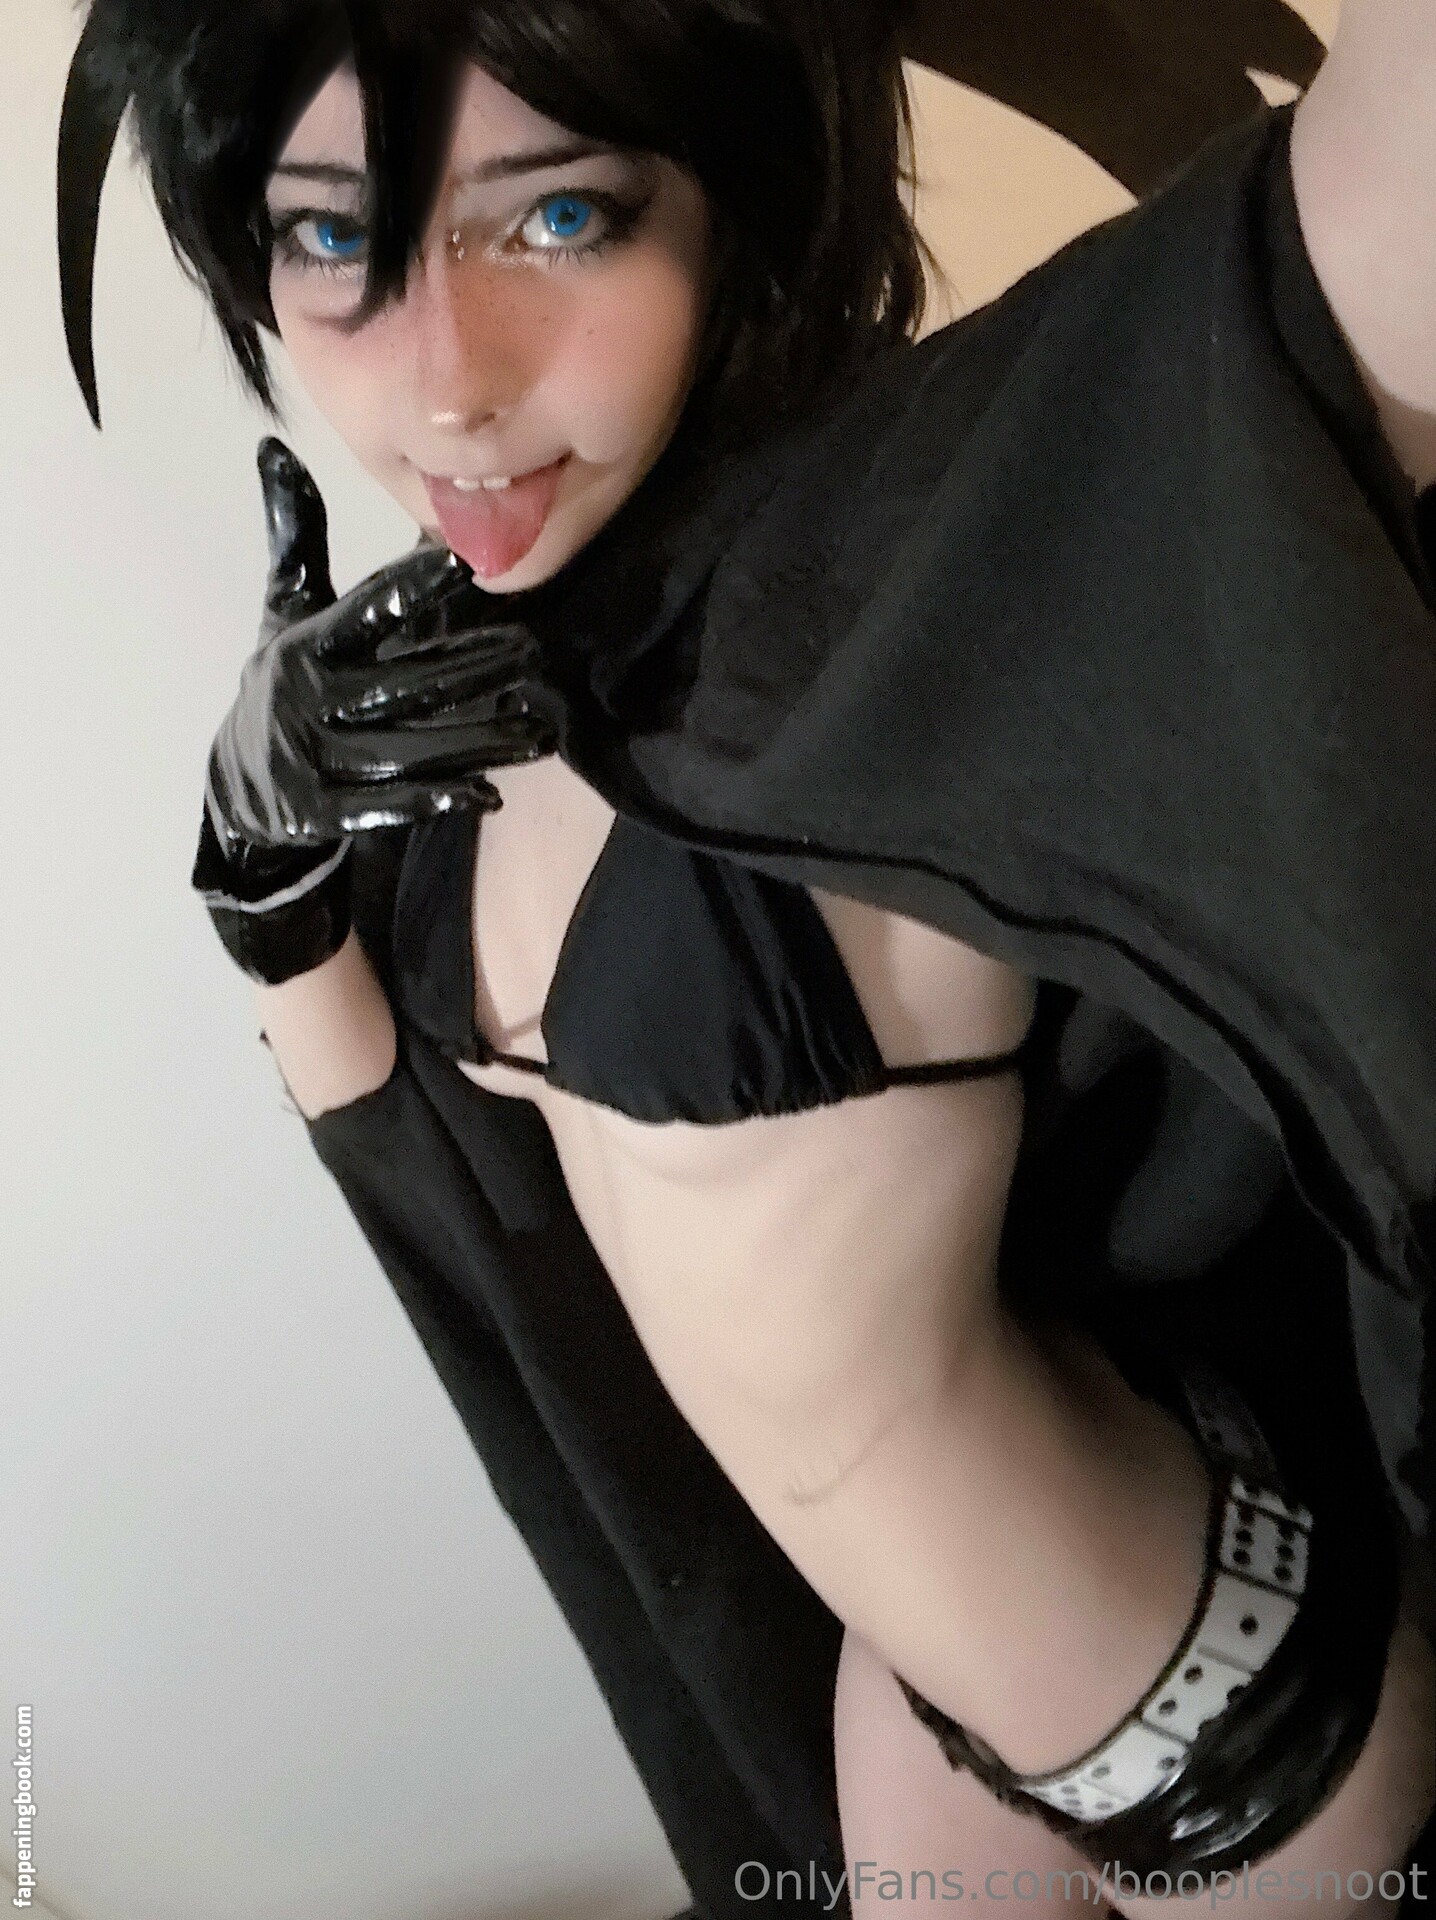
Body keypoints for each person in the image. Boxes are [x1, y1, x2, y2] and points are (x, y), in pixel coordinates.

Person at [54, 1, 1436, 1914]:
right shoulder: (463, 680)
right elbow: (432, 1168)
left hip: (1195, 1695)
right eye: (334, 235)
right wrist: (265, 857)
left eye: (560, 219)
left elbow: (1377, 217)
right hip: (900, 1697)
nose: (447, 389)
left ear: (739, 196)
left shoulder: (896, 557)